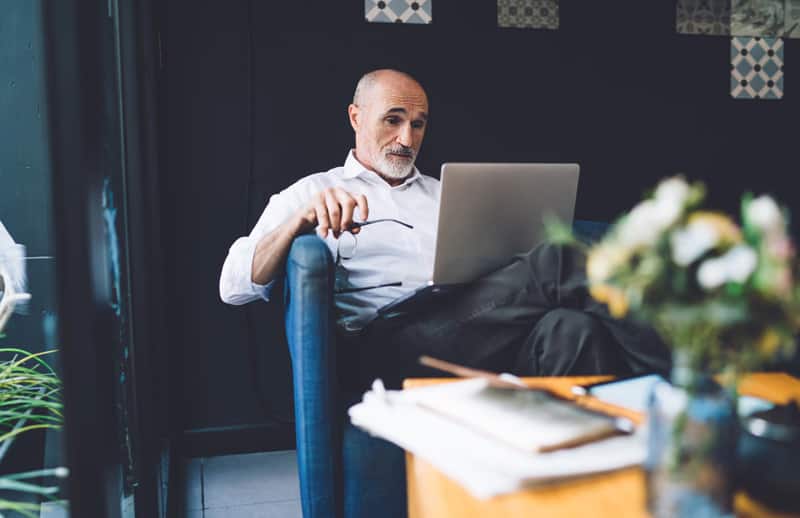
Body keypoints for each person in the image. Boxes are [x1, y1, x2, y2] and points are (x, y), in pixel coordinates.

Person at [220, 69, 670, 390]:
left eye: (418, 124)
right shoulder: (314, 191)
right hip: (386, 347)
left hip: (473, 325)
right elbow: (232, 286)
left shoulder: (445, 193)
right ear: (357, 117)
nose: (408, 138)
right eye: (393, 119)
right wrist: (300, 221)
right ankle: (679, 385)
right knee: (560, 258)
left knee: (570, 331)